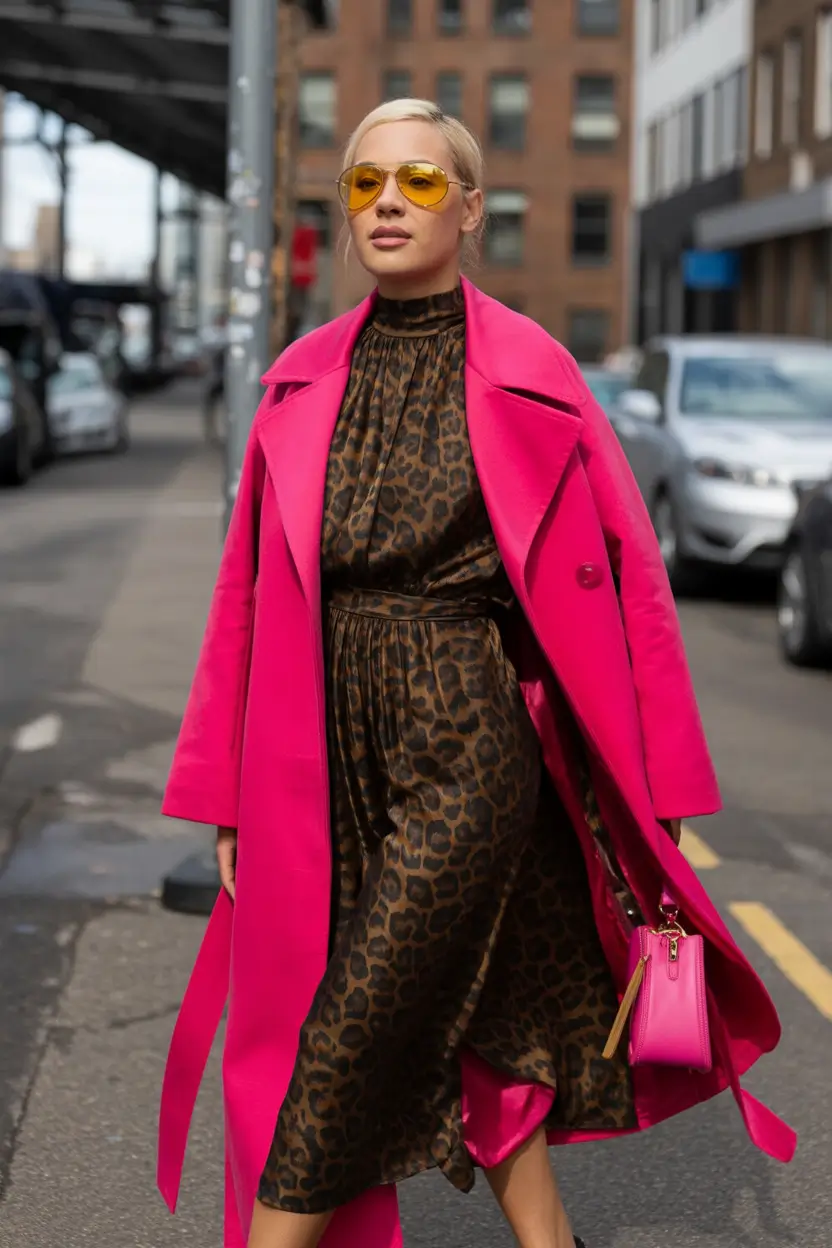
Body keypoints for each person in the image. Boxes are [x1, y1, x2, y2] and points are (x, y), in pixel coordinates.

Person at [157, 100, 795, 1248]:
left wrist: (662, 788)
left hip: (465, 736)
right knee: (476, 1015)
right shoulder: (299, 380)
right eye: (363, 186)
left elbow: (630, 579)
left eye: (414, 181)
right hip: (320, 741)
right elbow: (243, 600)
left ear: (469, 206)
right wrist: (221, 791)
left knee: (352, 1023)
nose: (387, 204)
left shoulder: (532, 370)